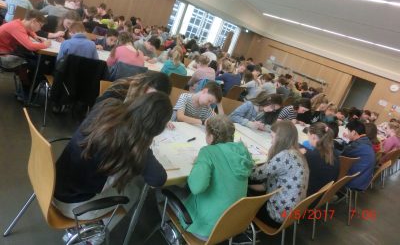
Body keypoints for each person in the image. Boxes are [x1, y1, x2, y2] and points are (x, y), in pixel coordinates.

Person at [53, 92, 172, 224]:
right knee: (133, 190)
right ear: (157, 127)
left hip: (53, 183)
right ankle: (93, 237)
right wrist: (146, 149)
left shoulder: (108, 107)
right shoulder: (137, 145)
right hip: (73, 205)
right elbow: (158, 179)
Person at [171, 115, 253, 240]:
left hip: (207, 229)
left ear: (211, 137)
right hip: (233, 226)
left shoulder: (208, 152)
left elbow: (196, 188)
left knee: (169, 189)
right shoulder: (243, 152)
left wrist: (198, 163)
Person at [250, 121, 309, 227]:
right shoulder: (298, 154)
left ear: (281, 138)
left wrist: (247, 157)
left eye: (273, 137)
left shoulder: (284, 156)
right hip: (291, 215)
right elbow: (267, 183)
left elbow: (254, 174)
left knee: (242, 193)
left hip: (276, 216)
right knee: (251, 185)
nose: (271, 141)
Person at [301, 122, 339, 196]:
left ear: (314, 137)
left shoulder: (313, 157)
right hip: (324, 195)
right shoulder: (333, 152)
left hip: (311, 197)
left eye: (308, 136)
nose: (308, 139)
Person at [96, 72, 171, 104]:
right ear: (147, 85)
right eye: (153, 95)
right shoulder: (121, 88)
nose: (152, 99)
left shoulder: (146, 94)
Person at [341, 120, 375, 191]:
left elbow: (342, 154)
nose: (348, 133)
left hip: (355, 181)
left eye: (348, 131)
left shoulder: (357, 145)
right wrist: (350, 139)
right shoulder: (366, 140)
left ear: (353, 132)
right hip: (364, 179)